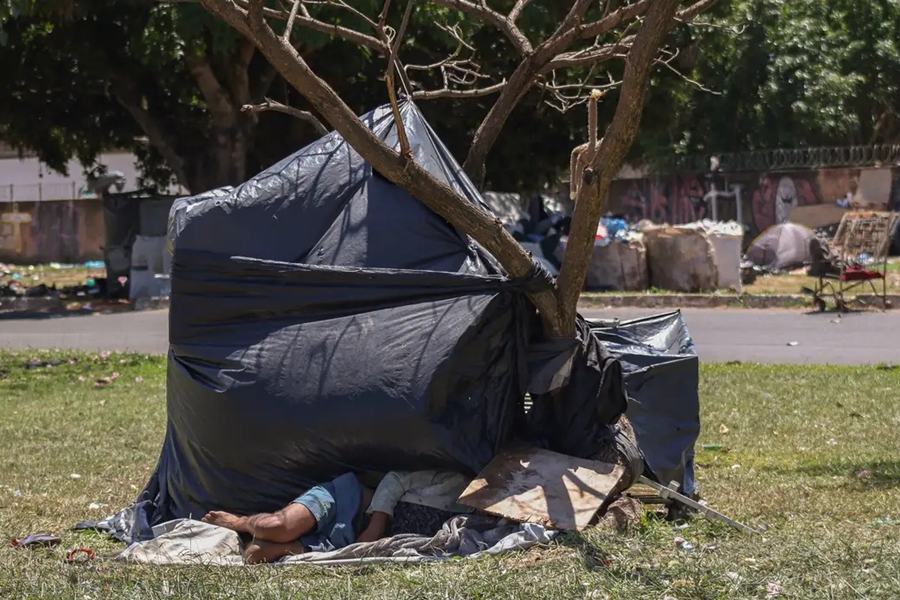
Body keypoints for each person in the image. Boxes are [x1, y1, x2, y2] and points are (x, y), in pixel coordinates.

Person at [202, 470, 469, 564]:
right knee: (278, 526)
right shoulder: (458, 483)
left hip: (346, 541)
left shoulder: (473, 522)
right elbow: (395, 479)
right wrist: (378, 524)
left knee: (255, 554)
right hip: (344, 500)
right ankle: (239, 522)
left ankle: (292, 545)